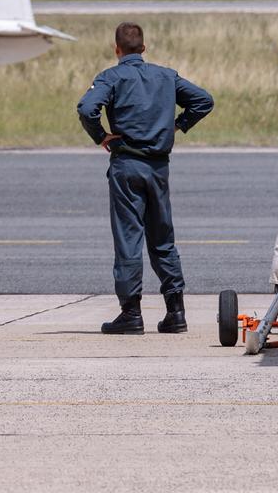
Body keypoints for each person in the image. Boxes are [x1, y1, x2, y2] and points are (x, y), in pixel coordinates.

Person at [78, 21, 214, 335]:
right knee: (163, 239)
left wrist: (101, 136)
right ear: (143, 48)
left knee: (129, 240)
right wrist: (177, 125)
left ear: (117, 50)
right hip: (158, 168)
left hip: (127, 166)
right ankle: (175, 312)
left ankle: (131, 313)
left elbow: (87, 109)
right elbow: (204, 100)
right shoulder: (166, 76)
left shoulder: (110, 77)